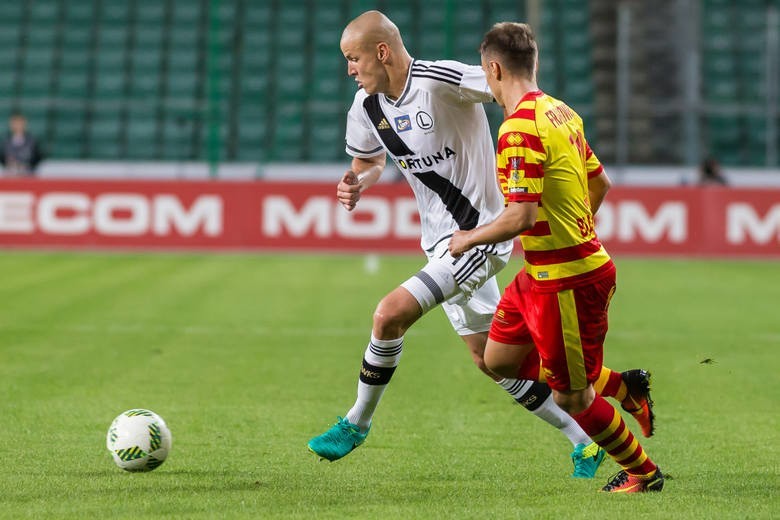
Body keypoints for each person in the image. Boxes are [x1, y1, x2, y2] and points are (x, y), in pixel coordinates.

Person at [308, 11, 655, 479]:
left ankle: (356, 422)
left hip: (481, 237)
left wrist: (533, 137)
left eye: (353, 58)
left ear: (382, 52)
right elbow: (367, 160)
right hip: (442, 243)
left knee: (389, 315)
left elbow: (509, 85)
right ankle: (590, 429)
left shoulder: (442, 80)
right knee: (493, 360)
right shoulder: (365, 106)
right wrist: (358, 181)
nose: (350, 69)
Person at [448, 22, 663, 493]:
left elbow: (520, 217)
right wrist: (574, 226)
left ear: (494, 68)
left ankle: (644, 473)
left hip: (566, 281)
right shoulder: (561, 111)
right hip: (542, 273)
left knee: (571, 395)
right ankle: (625, 387)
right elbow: (600, 183)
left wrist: (469, 238)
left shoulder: (518, 128)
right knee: (499, 359)